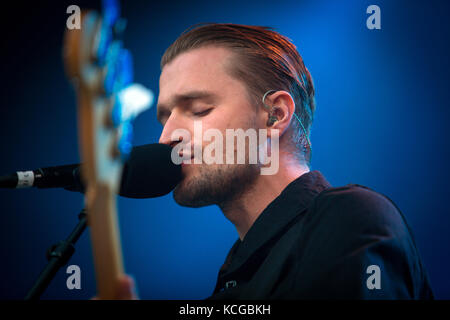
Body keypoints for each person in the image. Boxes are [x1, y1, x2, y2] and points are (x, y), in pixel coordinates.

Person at [111, 23, 433, 299]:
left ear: (275, 115)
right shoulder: (238, 269)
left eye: (198, 110)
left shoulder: (349, 217)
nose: (166, 138)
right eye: (164, 119)